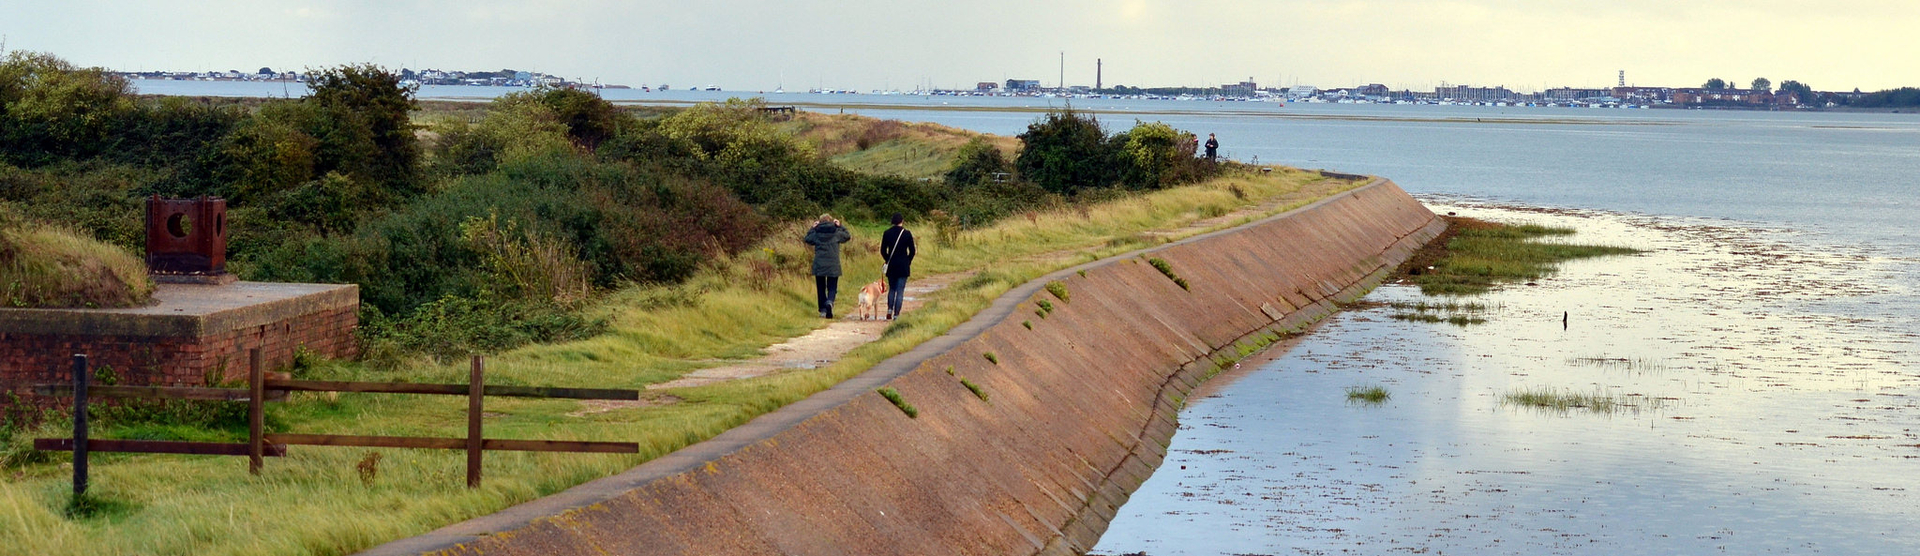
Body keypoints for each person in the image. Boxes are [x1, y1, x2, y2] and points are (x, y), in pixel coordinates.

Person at [803, 214, 851, 318]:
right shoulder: (836, 232)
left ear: (819, 222)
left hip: (819, 264)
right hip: (833, 264)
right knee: (832, 286)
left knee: (821, 287)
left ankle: (823, 310)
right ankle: (830, 301)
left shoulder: (816, 233)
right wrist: (840, 226)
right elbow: (847, 236)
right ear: (831, 221)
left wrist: (812, 228)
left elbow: (807, 239)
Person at [879, 213, 916, 320]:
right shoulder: (907, 233)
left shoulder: (887, 233)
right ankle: (896, 314)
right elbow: (912, 251)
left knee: (892, 289)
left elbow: (882, 250)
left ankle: (889, 309)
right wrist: (908, 261)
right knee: (900, 290)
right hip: (903, 265)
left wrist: (887, 260)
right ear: (902, 221)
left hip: (892, 265)